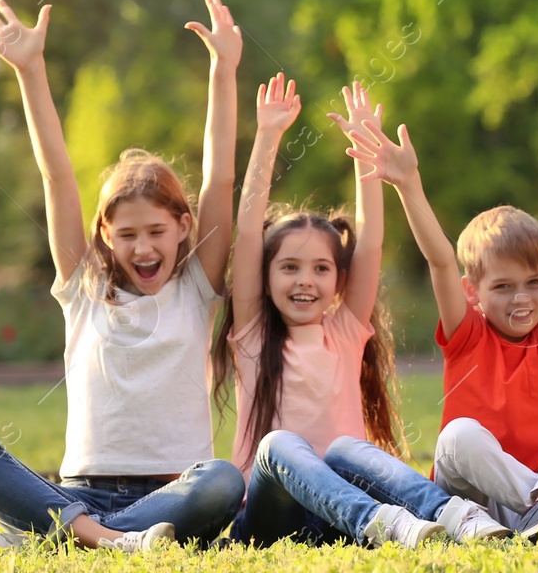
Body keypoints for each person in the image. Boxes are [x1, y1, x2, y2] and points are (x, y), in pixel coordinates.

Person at [0, 0, 246, 551]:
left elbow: (220, 178)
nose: (144, 246)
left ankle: (65, 539)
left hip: (172, 491)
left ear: (183, 226)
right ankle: (105, 537)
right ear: (105, 234)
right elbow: (56, 177)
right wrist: (30, 71)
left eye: (156, 231)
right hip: (80, 490)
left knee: (223, 480)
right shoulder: (84, 289)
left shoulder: (196, 288)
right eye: (127, 235)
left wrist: (223, 71)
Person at [212, 76, 501, 548]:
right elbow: (246, 235)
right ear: (264, 277)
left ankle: (454, 515)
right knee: (278, 445)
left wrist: (368, 156)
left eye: (321, 268)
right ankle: (384, 523)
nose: (305, 280)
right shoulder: (253, 335)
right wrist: (266, 138)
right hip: (270, 519)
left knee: (347, 449)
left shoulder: (343, 333)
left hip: (335, 521)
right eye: (288, 267)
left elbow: (370, 242)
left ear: (339, 282)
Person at [324, 100, 538, 541]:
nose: (522, 298)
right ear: (473, 293)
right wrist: (408, 184)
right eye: (503, 287)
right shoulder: (468, 335)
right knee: (458, 434)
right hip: (472, 504)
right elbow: (440, 261)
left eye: (534, 282)